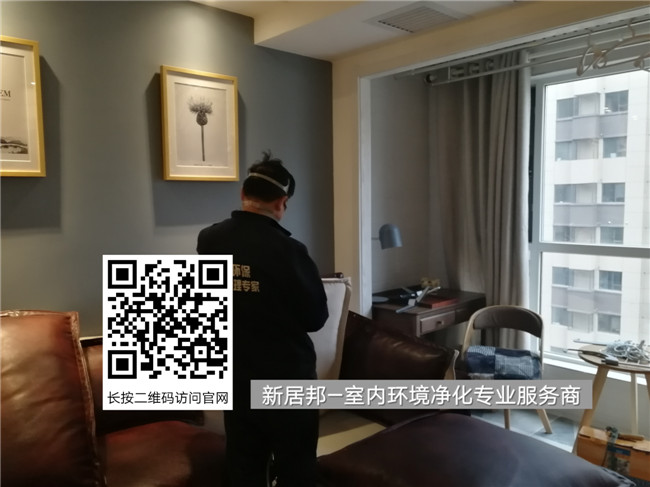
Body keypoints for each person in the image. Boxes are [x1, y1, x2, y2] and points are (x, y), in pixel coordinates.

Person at [197, 151, 329, 487]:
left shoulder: (209, 240)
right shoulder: (290, 251)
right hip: (286, 379)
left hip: (236, 375)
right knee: (296, 467)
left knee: (244, 465)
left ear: (243, 193)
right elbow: (316, 318)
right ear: (282, 203)